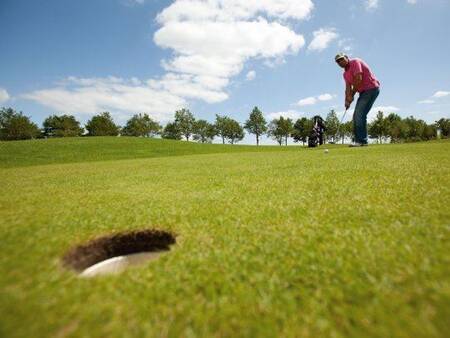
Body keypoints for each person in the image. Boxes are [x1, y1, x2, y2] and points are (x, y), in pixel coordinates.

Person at [335, 53, 380, 146]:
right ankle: (359, 140)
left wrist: (351, 94)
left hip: (371, 88)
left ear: (347, 58)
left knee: (359, 114)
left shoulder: (355, 62)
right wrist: (346, 101)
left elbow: (358, 79)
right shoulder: (345, 74)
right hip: (363, 92)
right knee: (357, 115)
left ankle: (361, 141)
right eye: (338, 61)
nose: (340, 62)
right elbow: (347, 88)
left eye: (341, 59)